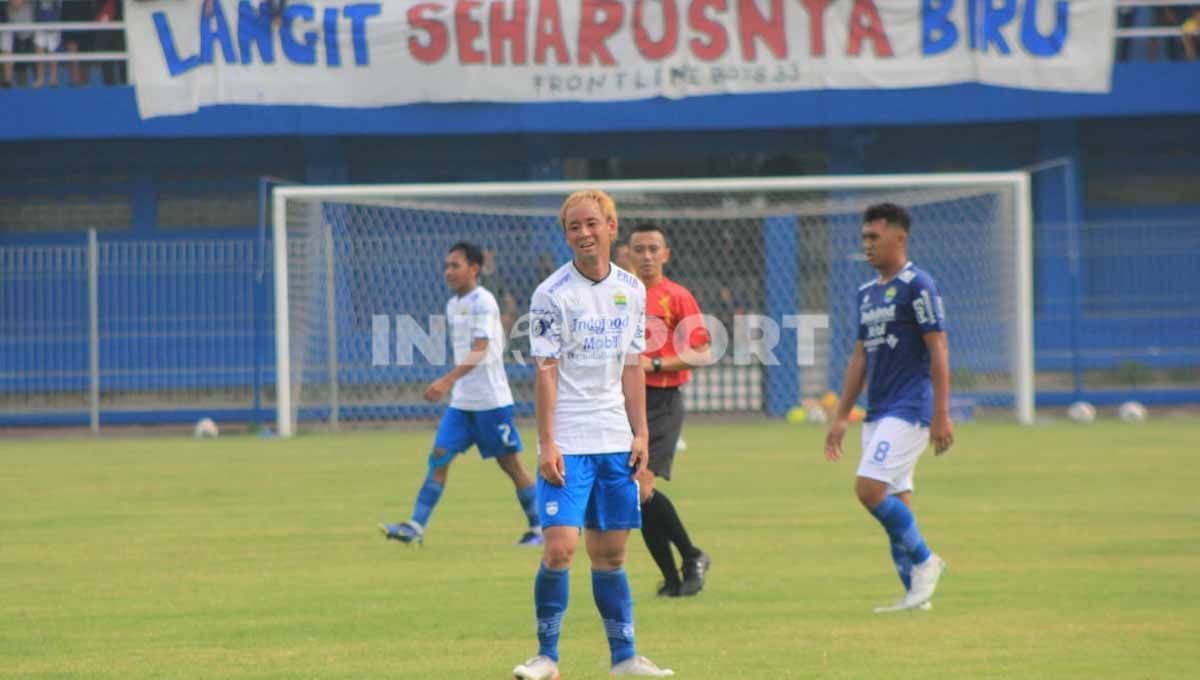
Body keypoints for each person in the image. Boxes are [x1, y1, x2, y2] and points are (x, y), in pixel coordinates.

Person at [512, 190, 674, 679]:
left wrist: (640, 433)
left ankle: (624, 659)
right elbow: (545, 370)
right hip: (568, 442)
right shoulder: (551, 294)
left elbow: (631, 365)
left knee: (611, 554)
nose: (583, 233)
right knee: (559, 547)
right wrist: (546, 442)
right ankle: (547, 657)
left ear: (611, 226)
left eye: (591, 224)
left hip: (614, 439)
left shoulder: (631, 288)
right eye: (573, 227)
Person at [823, 202, 953, 613]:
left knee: (869, 489)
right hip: (878, 411)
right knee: (898, 502)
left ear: (900, 237)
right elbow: (860, 357)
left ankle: (927, 560)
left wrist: (941, 413)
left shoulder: (919, 285)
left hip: (910, 407)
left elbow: (939, 347)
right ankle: (917, 596)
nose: (867, 245)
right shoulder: (867, 293)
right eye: (864, 238)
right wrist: (842, 416)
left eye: (874, 237)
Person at [379, 242, 542, 547]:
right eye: (447, 266)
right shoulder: (453, 304)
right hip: (463, 403)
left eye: (455, 265)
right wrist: (453, 385)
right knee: (439, 456)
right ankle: (415, 526)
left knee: (511, 465)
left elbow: (480, 350)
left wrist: (446, 381)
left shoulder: (484, 302)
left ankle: (539, 529)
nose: (448, 272)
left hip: (491, 402)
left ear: (474, 269)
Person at [627, 223, 712, 598]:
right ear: (627, 254)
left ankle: (692, 555)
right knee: (634, 496)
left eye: (653, 249)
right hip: (624, 403)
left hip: (662, 401)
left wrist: (655, 365)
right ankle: (673, 578)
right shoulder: (618, 295)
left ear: (666, 254)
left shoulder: (677, 296)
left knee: (639, 488)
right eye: (639, 249)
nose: (646, 256)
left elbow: (702, 351)